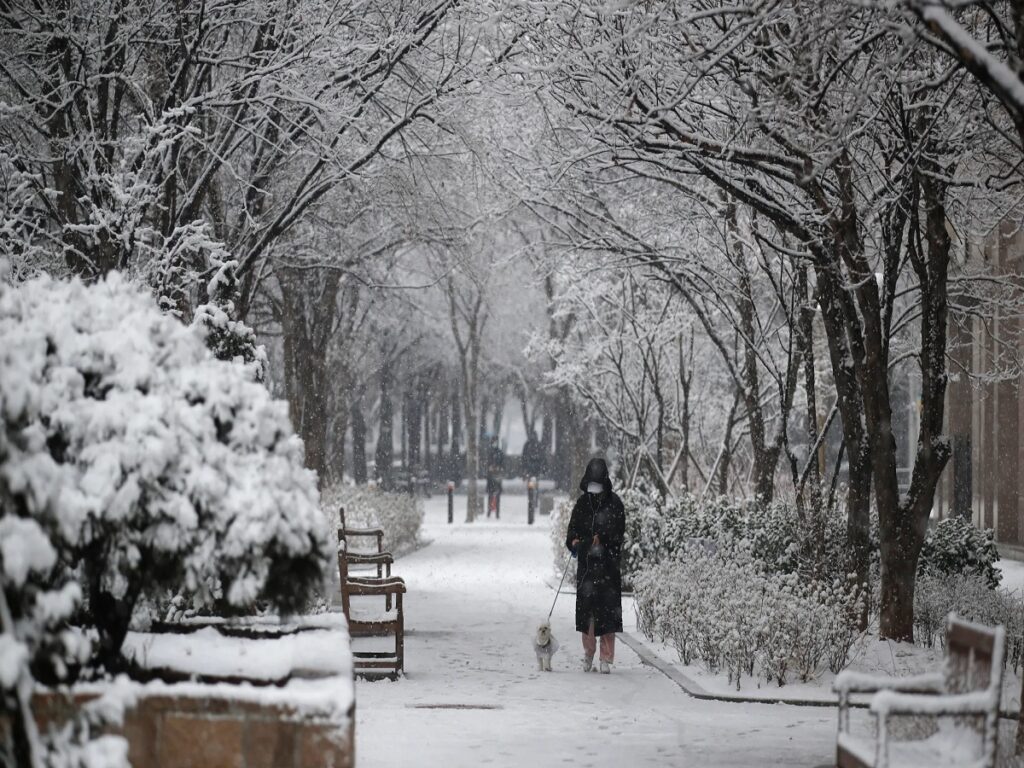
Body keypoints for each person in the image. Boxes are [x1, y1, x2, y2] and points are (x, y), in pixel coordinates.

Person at [565, 457, 625, 674]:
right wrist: (574, 542)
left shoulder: (615, 504)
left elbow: (618, 536)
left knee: (607, 616)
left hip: (607, 569)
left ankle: (606, 658)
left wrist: (603, 542)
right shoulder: (582, 505)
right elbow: (572, 530)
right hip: (587, 569)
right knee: (588, 615)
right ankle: (589, 653)